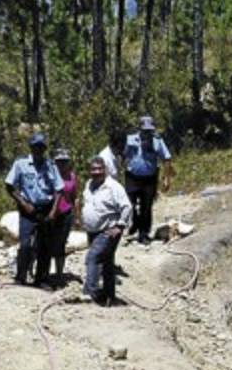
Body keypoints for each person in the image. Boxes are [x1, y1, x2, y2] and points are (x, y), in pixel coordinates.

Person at [4, 132, 64, 285]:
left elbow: (59, 189)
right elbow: (9, 185)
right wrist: (23, 204)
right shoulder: (20, 164)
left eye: (41, 147)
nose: (39, 149)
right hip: (28, 210)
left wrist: (53, 211)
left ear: (45, 148)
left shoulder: (51, 165)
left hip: (46, 208)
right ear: (31, 147)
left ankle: (41, 278)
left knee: (45, 246)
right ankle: (21, 276)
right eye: (36, 146)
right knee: (25, 244)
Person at [80, 156, 132, 305]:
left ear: (105, 170)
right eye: (93, 169)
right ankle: (109, 296)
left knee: (93, 257)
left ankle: (91, 293)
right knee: (107, 262)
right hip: (93, 231)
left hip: (108, 230)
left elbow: (127, 206)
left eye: (99, 169)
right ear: (89, 171)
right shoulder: (89, 184)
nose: (97, 172)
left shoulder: (114, 187)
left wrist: (120, 225)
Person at [122, 116, 173, 244]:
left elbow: (166, 158)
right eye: (144, 130)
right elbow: (122, 155)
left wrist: (166, 179)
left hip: (149, 178)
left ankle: (144, 233)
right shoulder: (130, 140)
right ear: (139, 129)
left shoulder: (157, 141)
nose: (147, 133)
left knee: (146, 206)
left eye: (149, 130)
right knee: (130, 204)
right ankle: (135, 223)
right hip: (132, 177)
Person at [40, 147, 80, 283]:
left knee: (61, 244)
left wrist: (77, 215)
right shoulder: (48, 175)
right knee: (44, 243)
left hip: (65, 213)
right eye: (59, 161)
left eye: (64, 161)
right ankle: (43, 273)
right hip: (49, 213)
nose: (62, 164)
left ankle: (59, 274)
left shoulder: (72, 177)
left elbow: (74, 196)